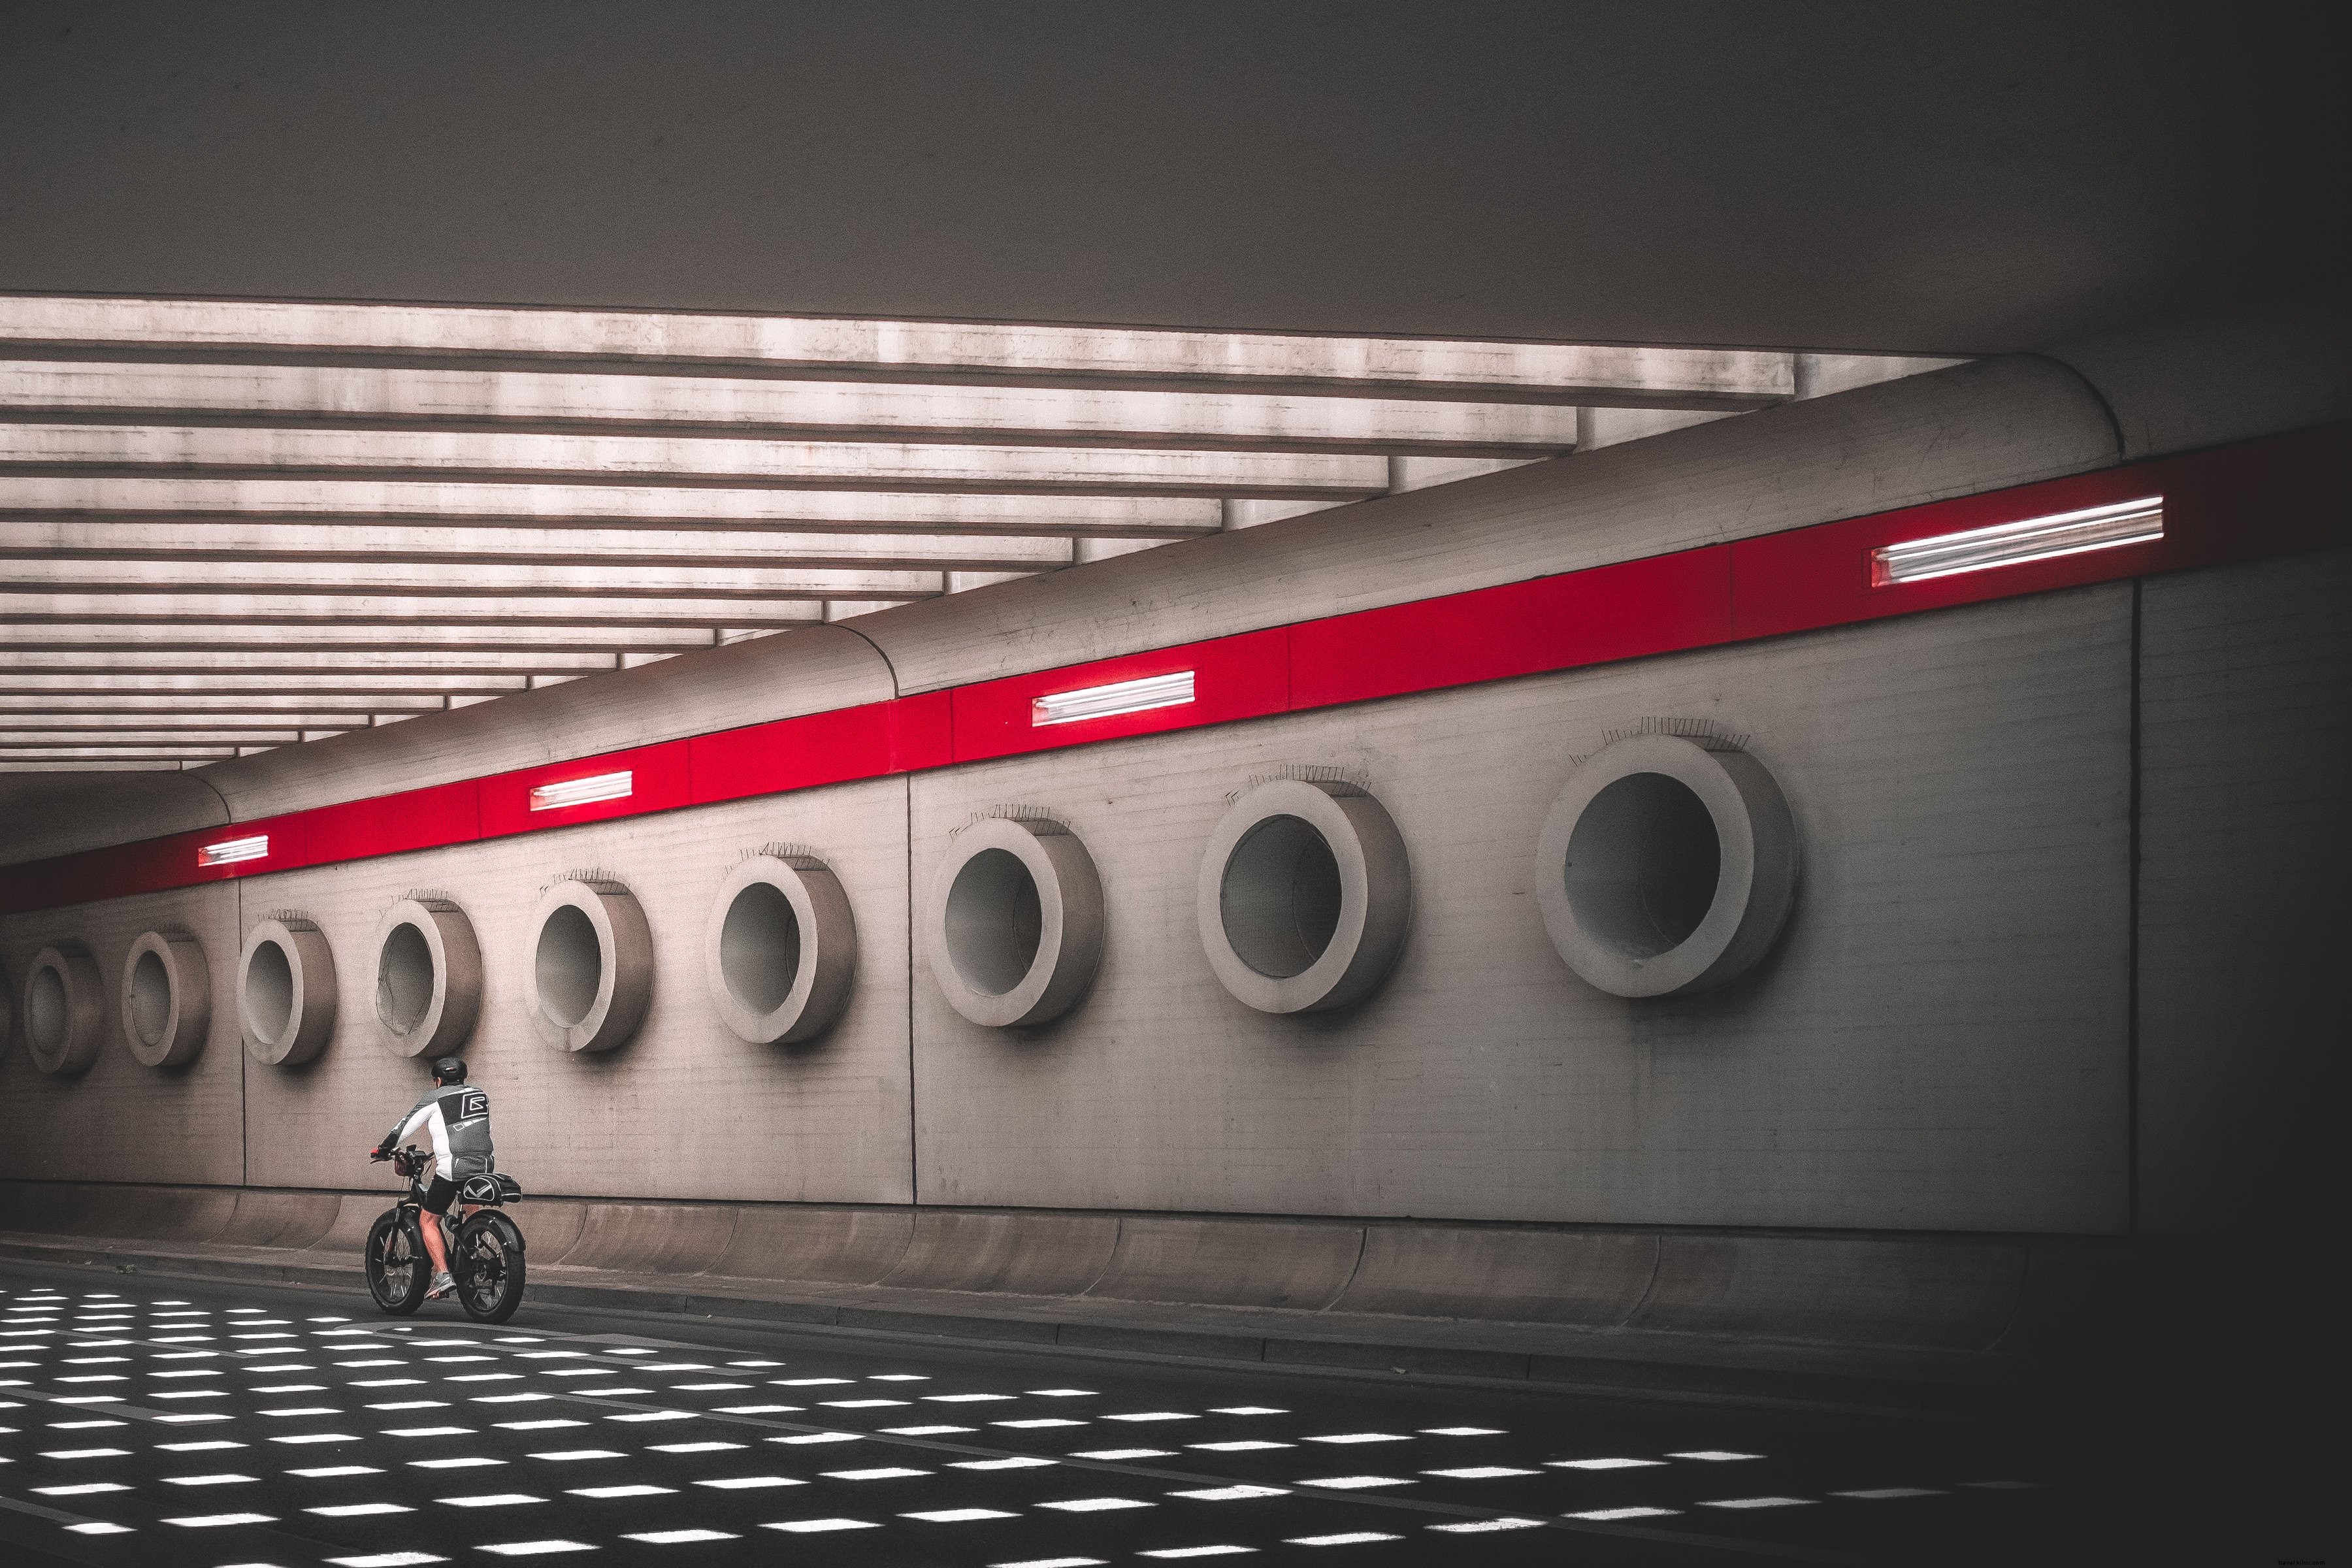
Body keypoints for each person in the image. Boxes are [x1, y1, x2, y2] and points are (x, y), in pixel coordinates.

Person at [370, 1056, 495, 1300]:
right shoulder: (480, 1095)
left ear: (438, 1081)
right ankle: (473, 1253)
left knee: (428, 1220)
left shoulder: (435, 1097)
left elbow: (404, 1126)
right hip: (485, 1164)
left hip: (453, 1167)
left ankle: (443, 1275)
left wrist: (384, 1149)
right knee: (471, 1212)